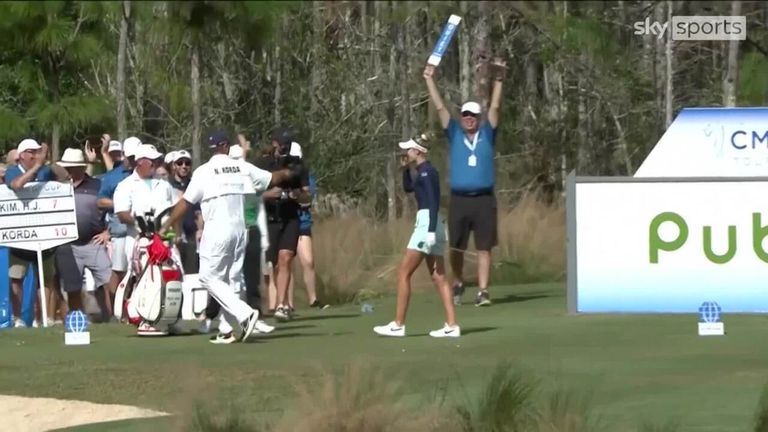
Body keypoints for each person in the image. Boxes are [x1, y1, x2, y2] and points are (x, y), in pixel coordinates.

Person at [160, 130, 297, 344]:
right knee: (226, 279)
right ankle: (225, 329)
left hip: (217, 229)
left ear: (211, 148)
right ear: (226, 146)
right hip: (240, 230)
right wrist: (291, 172)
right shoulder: (242, 167)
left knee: (208, 277)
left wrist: (167, 224)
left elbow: (185, 203)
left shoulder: (204, 172)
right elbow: (272, 178)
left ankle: (245, 314)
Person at [423, 58, 506, 307]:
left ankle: (483, 291)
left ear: (478, 118)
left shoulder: (487, 133)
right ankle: (458, 281)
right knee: (456, 248)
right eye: (466, 115)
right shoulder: (455, 133)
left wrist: (499, 80)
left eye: (473, 115)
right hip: (459, 199)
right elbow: (440, 109)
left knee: (484, 247)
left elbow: (495, 107)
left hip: (483, 199)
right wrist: (429, 80)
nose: (469, 118)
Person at [373, 135, 460, 338]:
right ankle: (452, 325)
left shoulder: (427, 173)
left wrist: (429, 231)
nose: (406, 153)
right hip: (435, 224)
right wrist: (405, 169)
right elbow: (408, 188)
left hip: (427, 224)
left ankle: (398, 324)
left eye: (409, 150)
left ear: (418, 152)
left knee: (403, 273)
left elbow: (432, 201)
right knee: (439, 276)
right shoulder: (422, 172)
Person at [113, 143, 178, 335]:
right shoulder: (126, 185)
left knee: (166, 278)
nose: (156, 164)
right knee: (142, 279)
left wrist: (175, 233)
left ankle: (166, 317)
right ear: (140, 162)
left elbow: (173, 211)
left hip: (164, 240)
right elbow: (122, 213)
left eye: (158, 160)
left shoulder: (164, 185)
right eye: (152, 161)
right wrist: (140, 225)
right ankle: (142, 317)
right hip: (138, 241)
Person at [5, 138, 70, 328]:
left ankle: (43, 317)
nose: (35, 155)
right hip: (20, 235)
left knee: (46, 279)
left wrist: (49, 161)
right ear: (22, 155)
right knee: (17, 278)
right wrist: (37, 167)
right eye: (31, 152)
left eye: (37, 151)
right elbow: (17, 185)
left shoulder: (45, 170)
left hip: (43, 233)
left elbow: (65, 178)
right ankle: (17, 319)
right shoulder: (13, 171)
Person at [255, 128, 311, 322]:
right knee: (275, 264)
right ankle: (280, 301)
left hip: (290, 217)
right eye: (282, 143)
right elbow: (250, 193)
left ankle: (281, 305)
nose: (285, 147)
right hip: (268, 219)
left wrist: (297, 196)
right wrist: (267, 195)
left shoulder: (298, 166)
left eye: (288, 144)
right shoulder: (262, 165)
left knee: (286, 258)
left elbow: (307, 195)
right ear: (274, 143)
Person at [53, 148, 113, 316]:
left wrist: (108, 232)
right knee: (72, 286)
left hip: (93, 242)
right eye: (67, 167)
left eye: (72, 166)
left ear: (81, 167)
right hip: (68, 245)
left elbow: (114, 208)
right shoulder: (57, 187)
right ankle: (76, 320)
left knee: (108, 280)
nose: (69, 170)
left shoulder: (97, 185)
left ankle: (113, 317)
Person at [97, 136, 141, 310]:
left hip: (142, 232)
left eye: (135, 157)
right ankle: (116, 309)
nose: (132, 161)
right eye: (129, 157)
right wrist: (122, 204)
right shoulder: (113, 176)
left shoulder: (146, 175)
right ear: (123, 155)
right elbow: (100, 201)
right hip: (121, 231)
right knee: (119, 271)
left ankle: (137, 307)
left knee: (140, 271)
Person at [286, 142, 328, 311]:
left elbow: (307, 197)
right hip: (287, 221)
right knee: (286, 263)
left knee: (308, 262)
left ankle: (313, 300)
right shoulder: (282, 174)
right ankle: (287, 304)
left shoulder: (307, 176)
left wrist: (296, 196)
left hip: (303, 222)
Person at [167, 150, 202, 275]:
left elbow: (198, 212)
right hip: (173, 238)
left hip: (192, 237)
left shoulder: (194, 185)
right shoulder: (167, 185)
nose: (184, 166)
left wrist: (200, 230)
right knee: (173, 274)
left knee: (192, 274)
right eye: (180, 163)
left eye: (187, 163)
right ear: (174, 165)